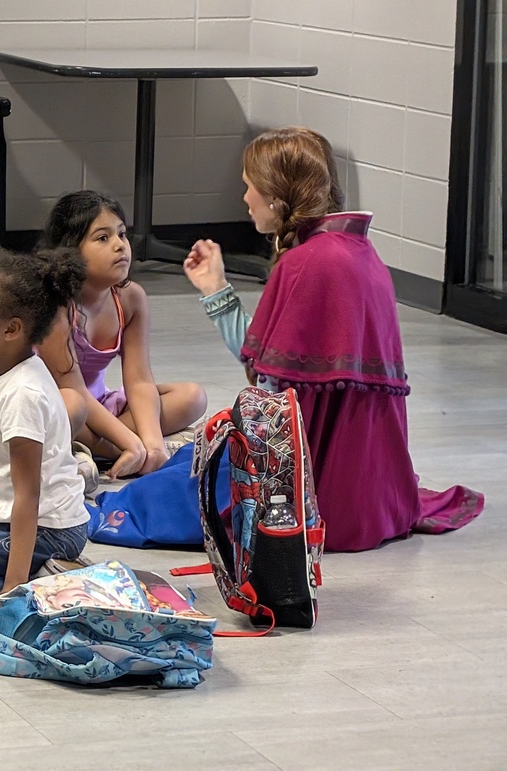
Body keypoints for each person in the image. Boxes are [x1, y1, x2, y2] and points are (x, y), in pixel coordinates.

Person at [183, 126, 484, 552]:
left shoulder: (308, 263)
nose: (244, 198)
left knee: (178, 488)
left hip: (315, 496)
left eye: (248, 186)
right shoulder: (358, 251)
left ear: (274, 194)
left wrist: (215, 292)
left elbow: (269, 390)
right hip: (375, 492)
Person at [0, 246, 91, 610]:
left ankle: (29, 580)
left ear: (11, 328)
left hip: (48, 530)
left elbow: (28, 498)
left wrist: (11, 588)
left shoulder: (23, 395)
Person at [39, 190, 208, 479]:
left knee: (193, 397)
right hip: (61, 406)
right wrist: (131, 442)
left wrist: (154, 444)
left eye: (122, 234)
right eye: (103, 238)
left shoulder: (130, 299)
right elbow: (75, 391)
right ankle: (118, 450)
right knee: (69, 416)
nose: (120, 246)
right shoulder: (55, 306)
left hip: (100, 405)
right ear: (69, 251)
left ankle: (112, 450)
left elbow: (139, 380)